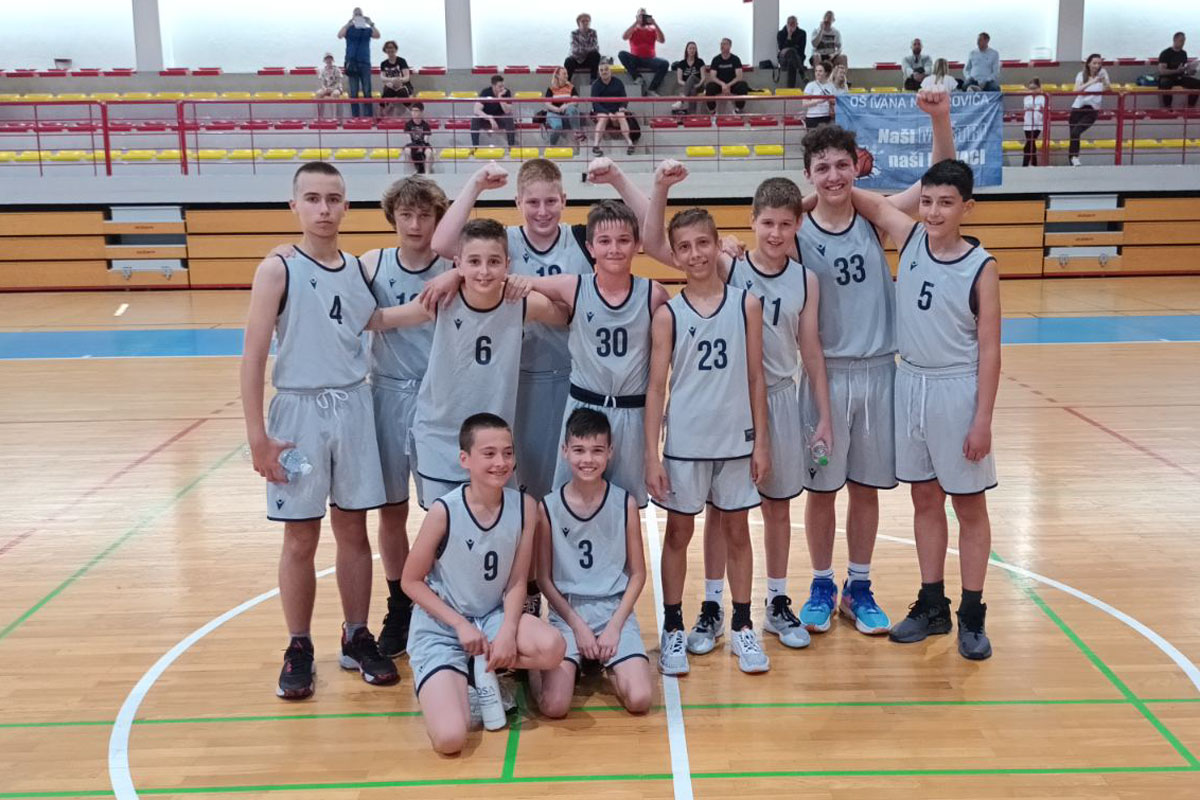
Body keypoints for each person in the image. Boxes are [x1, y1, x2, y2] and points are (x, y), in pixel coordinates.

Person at [644, 166, 833, 653]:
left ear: (797, 225)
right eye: (766, 223)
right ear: (752, 223)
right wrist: (658, 187)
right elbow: (665, 244)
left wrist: (824, 414)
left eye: (785, 224)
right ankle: (712, 607)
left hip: (777, 397)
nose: (775, 233)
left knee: (776, 507)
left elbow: (811, 350)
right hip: (724, 404)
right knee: (718, 512)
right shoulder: (731, 266)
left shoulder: (805, 280)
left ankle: (775, 601)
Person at [265, 175, 453, 658]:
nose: (415, 224)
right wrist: (284, 252)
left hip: (438, 402)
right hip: (379, 397)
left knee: (445, 508)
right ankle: (397, 604)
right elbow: (363, 314)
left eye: (425, 215)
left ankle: (448, 603)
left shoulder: (453, 265)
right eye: (406, 215)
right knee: (387, 511)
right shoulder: (369, 264)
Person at [791, 90, 955, 640]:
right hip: (824, 376)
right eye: (822, 168)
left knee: (864, 488)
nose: (833, 176)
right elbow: (764, 225)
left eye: (842, 165)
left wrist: (939, 118)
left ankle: (857, 587)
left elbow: (937, 178)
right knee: (821, 490)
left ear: (855, 166)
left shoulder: (876, 216)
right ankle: (821, 584)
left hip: (880, 371)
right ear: (809, 175)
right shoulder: (796, 230)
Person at [240, 162, 398, 700]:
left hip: (353, 406)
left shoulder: (355, 268)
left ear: (346, 206)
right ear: (295, 206)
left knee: (354, 529)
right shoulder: (276, 269)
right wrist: (258, 437)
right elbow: (252, 356)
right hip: (299, 413)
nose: (324, 208)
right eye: (312, 198)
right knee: (301, 535)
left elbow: (373, 321)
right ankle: (299, 644)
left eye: (333, 199)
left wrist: (433, 301)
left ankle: (356, 635)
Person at [428, 158, 651, 505]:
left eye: (550, 201)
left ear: (564, 200)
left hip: (574, 380)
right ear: (518, 202)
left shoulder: (582, 239)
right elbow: (443, 245)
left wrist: (618, 179)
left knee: (568, 487)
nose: (542, 211)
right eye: (532, 202)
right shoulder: (506, 242)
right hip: (517, 381)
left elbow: (650, 232)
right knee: (524, 487)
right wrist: (476, 185)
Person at [849, 160, 1001, 661]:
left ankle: (973, 614)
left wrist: (982, 420)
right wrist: (806, 197)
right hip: (909, 381)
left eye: (946, 203)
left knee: (969, 506)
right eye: (928, 201)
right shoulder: (910, 238)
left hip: (957, 389)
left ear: (967, 208)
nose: (934, 212)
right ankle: (933, 604)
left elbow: (991, 351)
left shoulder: (982, 267)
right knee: (924, 499)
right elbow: (859, 198)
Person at [642, 202, 771, 676]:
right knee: (679, 533)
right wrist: (651, 454)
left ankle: (742, 626)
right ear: (674, 255)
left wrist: (762, 442)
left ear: (718, 245)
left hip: (736, 439)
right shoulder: (668, 315)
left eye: (702, 243)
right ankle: (674, 627)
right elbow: (656, 387)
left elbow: (756, 377)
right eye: (685, 247)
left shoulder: (746, 304)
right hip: (686, 442)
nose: (695, 254)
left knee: (737, 532)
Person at [370, 218, 566, 509]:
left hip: (495, 439)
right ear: (458, 264)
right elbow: (381, 319)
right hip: (440, 438)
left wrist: (532, 282)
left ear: (507, 265)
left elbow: (566, 314)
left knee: (495, 526)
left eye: (493, 262)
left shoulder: (522, 303)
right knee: (444, 526)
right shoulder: (440, 300)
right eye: (474, 262)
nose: (484, 271)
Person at [401, 413, 566, 752]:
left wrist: (507, 631)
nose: (500, 462)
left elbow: (517, 580)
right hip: (443, 626)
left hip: (491, 617)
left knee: (553, 648)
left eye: (507, 453)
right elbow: (411, 581)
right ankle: (451, 680)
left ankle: (480, 669)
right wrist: (460, 625)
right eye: (489, 454)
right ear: (465, 459)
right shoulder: (444, 511)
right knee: (450, 739)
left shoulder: (525, 507)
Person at [511, 193, 669, 510]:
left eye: (623, 240)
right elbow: (510, 281)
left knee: (625, 508)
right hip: (583, 407)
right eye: (604, 241)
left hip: (631, 413)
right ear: (590, 247)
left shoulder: (654, 294)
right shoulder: (573, 286)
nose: (614, 249)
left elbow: (657, 385)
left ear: (638, 244)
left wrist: (653, 454)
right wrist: (454, 274)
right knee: (568, 505)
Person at [534, 408, 653, 718]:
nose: (588, 459)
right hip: (569, 612)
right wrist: (578, 627)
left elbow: (638, 575)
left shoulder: (624, 503)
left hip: (613, 610)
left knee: (640, 699)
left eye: (597, 450)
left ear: (610, 452)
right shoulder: (548, 507)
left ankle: (603, 661)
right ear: (565, 451)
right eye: (579, 450)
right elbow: (544, 579)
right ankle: (535, 669)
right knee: (555, 707)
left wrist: (614, 627)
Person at [338, 7, 380, 117]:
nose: (358, 16)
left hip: (365, 63)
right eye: (356, 14)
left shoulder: (367, 30)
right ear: (353, 16)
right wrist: (348, 24)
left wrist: (370, 23)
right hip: (352, 63)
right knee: (353, 92)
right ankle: (355, 117)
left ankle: (368, 116)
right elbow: (339, 35)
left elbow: (377, 35)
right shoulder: (349, 29)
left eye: (359, 14)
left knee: (367, 91)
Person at [1069, 54, 1110, 167]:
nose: (1097, 66)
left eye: (1099, 63)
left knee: (1076, 132)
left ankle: (1075, 157)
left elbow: (1108, 88)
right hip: (1078, 107)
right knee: (1073, 135)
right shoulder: (1081, 75)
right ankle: (1072, 160)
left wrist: (1104, 80)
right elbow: (1076, 90)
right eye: (1094, 63)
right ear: (1088, 64)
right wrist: (1091, 82)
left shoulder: (1103, 74)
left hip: (1092, 109)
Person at [618, 7, 669, 95]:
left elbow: (662, 40)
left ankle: (652, 89)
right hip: (635, 58)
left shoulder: (652, 29)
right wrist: (636, 23)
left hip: (650, 59)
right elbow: (624, 37)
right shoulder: (633, 29)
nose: (642, 18)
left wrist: (655, 24)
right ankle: (638, 78)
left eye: (644, 15)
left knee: (665, 63)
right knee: (621, 54)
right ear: (637, 17)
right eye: (640, 15)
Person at [591, 60, 636, 156]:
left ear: (610, 70)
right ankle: (596, 145)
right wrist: (608, 113)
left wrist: (622, 107)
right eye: (601, 70)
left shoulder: (618, 82)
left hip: (616, 111)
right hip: (603, 111)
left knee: (621, 115)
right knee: (603, 117)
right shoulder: (595, 85)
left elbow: (624, 98)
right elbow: (595, 104)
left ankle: (630, 143)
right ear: (599, 72)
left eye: (606, 69)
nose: (604, 72)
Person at [705, 38, 751, 114]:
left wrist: (728, 85)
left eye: (724, 44)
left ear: (730, 46)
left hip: (732, 85)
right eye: (721, 44)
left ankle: (738, 110)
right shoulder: (716, 59)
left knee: (743, 85)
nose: (722, 46)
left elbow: (739, 76)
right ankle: (712, 111)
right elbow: (712, 77)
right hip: (720, 85)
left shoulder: (735, 59)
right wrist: (722, 84)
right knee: (709, 86)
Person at [471, 74, 516, 148]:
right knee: (475, 119)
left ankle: (511, 147)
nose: (502, 88)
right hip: (487, 119)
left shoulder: (506, 92)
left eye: (503, 86)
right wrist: (489, 118)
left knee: (509, 118)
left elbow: (507, 111)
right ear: (493, 86)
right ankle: (475, 147)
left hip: (500, 118)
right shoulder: (486, 92)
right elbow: (476, 110)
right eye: (500, 86)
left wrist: (500, 98)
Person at [543, 66, 584, 146]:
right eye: (564, 74)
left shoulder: (571, 87)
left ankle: (576, 132)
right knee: (558, 127)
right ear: (558, 76)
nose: (567, 76)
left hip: (566, 114)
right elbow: (547, 104)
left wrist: (566, 105)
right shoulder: (551, 89)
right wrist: (557, 109)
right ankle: (552, 145)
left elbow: (575, 101)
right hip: (554, 113)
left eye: (567, 74)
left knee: (572, 108)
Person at [1158, 32, 1200, 109]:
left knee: (1198, 84)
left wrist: (1190, 71)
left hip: (1179, 77)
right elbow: (1162, 71)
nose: (1183, 43)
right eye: (1181, 40)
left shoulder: (1183, 53)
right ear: (1175, 40)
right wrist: (1176, 71)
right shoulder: (1166, 53)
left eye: (1184, 41)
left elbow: (1184, 70)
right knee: (1165, 83)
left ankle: (1190, 107)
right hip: (1168, 77)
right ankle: (1167, 108)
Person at [379, 39, 413, 117]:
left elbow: (407, 77)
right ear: (385, 50)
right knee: (385, 94)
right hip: (391, 85)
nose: (390, 50)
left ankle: (414, 115)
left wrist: (398, 81)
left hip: (402, 85)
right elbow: (383, 78)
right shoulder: (383, 63)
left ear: (396, 49)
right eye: (388, 48)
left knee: (402, 92)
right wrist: (391, 80)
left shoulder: (402, 61)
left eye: (392, 47)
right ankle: (381, 116)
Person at [565, 12, 601, 84]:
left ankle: (593, 81)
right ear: (578, 23)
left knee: (596, 55)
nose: (585, 23)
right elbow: (574, 50)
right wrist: (588, 49)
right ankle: (566, 83)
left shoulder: (593, 32)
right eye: (583, 21)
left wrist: (582, 49)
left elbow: (595, 48)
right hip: (576, 59)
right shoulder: (574, 33)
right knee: (568, 61)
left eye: (587, 21)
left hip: (588, 60)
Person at [671, 41, 706, 114]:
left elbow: (703, 78)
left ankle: (681, 101)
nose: (692, 50)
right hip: (688, 87)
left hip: (699, 85)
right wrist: (689, 85)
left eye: (694, 48)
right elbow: (679, 80)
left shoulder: (700, 61)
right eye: (690, 48)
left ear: (696, 50)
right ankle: (692, 114)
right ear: (687, 50)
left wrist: (698, 85)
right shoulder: (681, 63)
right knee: (692, 90)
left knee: (692, 77)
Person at [802, 61, 836, 128]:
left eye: (820, 71)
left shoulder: (831, 86)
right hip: (813, 117)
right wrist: (819, 100)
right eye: (816, 71)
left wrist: (831, 101)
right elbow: (804, 103)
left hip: (827, 116)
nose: (817, 73)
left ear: (826, 73)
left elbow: (835, 101)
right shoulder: (810, 85)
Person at [777, 15, 807, 88]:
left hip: (797, 60)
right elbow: (781, 48)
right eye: (790, 24)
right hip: (784, 60)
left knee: (792, 61)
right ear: (787, 24)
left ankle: (790, 89)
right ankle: (802, 73)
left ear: (797, 24)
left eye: (793, 24)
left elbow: (802, 50)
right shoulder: (781, 33)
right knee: (791, 51)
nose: (791, 26)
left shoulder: (802, 33)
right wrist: (789, 37)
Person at [1022, 78, 1045, 167]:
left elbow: (1044, 109)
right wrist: (1036, 108)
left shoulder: (1043, 97)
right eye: (1031, 88)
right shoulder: (1026, 98)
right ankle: (1034, 164)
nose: (1032, 90)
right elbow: (1026, 107)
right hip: (1027, 124)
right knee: (1031, 143)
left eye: (1034, 88)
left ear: (1039, 87)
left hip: (1038, 124)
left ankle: (1024, 165)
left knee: (1028, 144)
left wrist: (1036, 108)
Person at [405, 103, 433, 173]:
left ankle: (427, 173)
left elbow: (426, 140)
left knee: (429, 152)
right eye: (412, 111)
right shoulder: (408, 125)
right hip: (412, 145)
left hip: (423, 145)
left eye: (416, 111)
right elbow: (408, 140)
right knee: (407, 151)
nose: (413, 113)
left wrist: (421, 147)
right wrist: (416, 147)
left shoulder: (425, 125)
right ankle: (413, 171)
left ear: (421, 112)